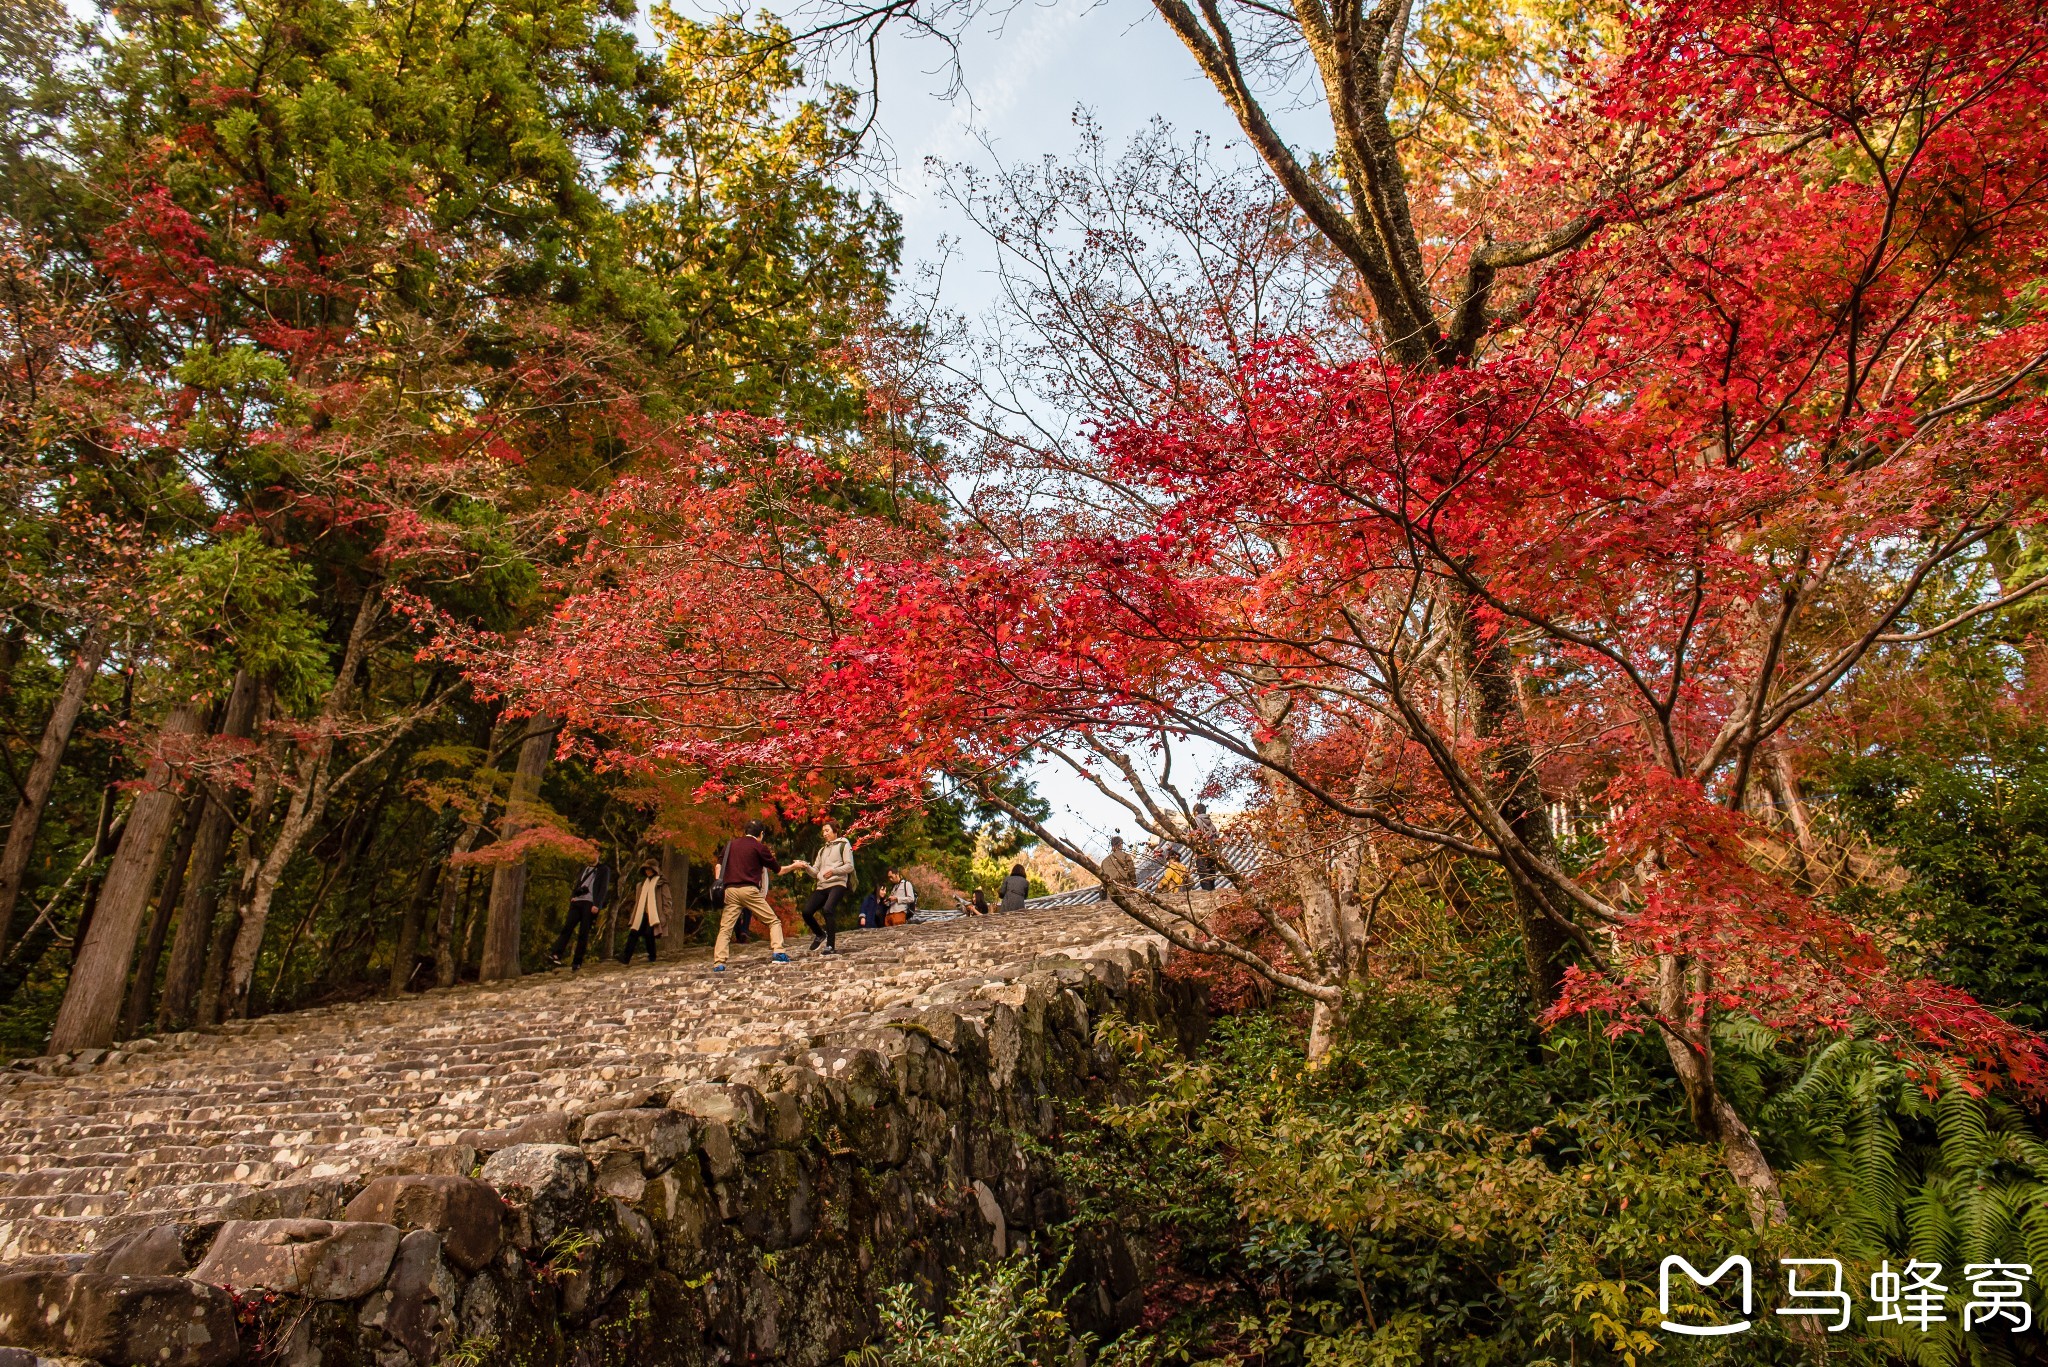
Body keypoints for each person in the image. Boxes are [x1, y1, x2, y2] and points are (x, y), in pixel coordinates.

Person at [713, 820, 787, 971]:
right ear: (761, 834)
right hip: (749, 890)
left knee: (725, 929)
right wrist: (796, 866)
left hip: (730, 891)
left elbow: (718, 865)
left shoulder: (730, 845)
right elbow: (778, 870)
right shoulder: (759, 847)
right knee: (773, 921)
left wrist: (718, 881)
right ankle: (778, 952)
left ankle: (719, 962)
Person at [786, 821, 854, 954]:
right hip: (822, 885)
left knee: (828, 909)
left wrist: (834, 871)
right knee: (806, 911)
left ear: (835, 831)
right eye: (823, 831)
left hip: (838, 883)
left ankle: (830, 946)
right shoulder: (822, 850)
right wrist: (805, 866)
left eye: (827, 830)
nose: (824, 834)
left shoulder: (844, 844)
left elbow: (850, 866)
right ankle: (820, 934)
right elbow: (815, 872)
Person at [550, 856, 614, 970]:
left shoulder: (604, 869)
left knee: (583, 932)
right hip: (577, 901)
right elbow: (578, 883)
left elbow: (603, 888)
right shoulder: (584, 868)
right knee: (567, 927)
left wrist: (597, 904)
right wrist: (574, 896)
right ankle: (556, 954)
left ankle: (577, 962)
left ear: (598, 854)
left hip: (590, 903)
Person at [619, 860, 670, 964]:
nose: (648, 871)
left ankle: (652, 956)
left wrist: (666, 914)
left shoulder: (661, 883)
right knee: (633, 933)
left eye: (650, 869)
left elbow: (667, 899)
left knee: (649, 934)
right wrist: (634, 914)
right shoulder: (642, 884)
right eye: (646, 869)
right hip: (642, 913)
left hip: (655, 913)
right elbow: (638, 901)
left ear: (654, 870)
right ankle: (626, 957)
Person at [1192, 803, 1221, 891]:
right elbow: (1218, 840)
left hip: (1202, 852)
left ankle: (1208, 896)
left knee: (1204, 878)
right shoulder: (1211, 824)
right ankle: (1212, 896)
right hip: (1212, 852)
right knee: (1211, 878)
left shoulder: (1195, 821)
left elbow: (1194, 836)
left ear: (1196, 812)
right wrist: (1219, 853)